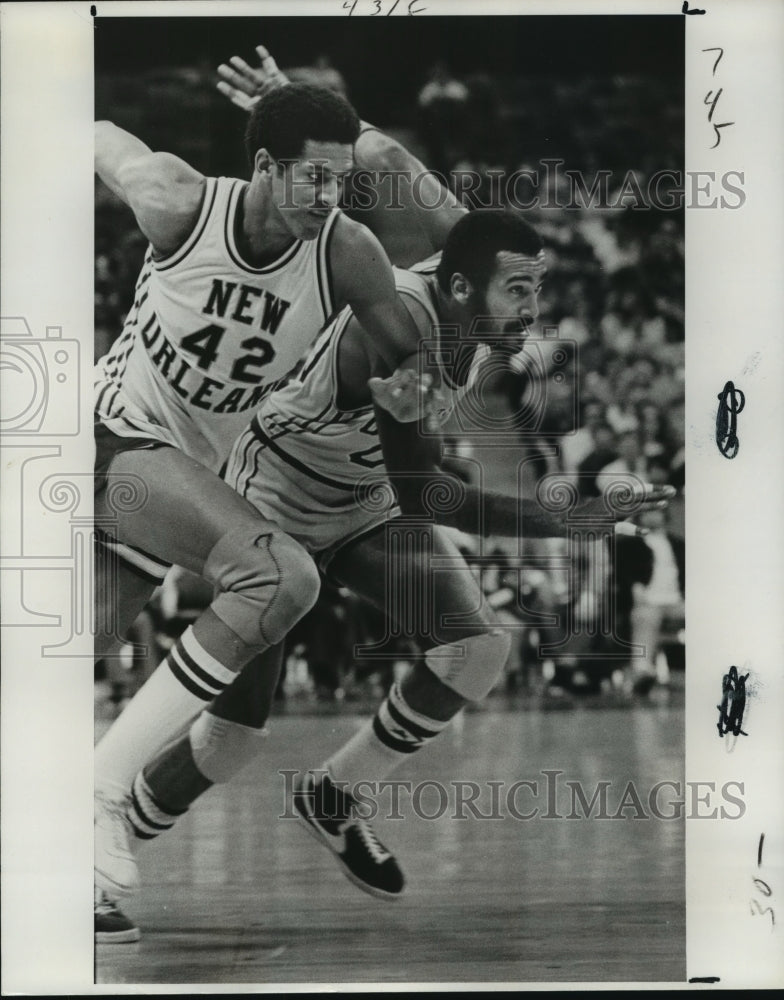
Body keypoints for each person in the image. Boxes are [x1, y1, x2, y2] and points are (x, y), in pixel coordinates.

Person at [101, 210, 673, 939]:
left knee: (477, 646)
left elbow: (390, 156)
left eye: (538, 288)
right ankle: (88, 860)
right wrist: (575, 517)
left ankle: (336, 795)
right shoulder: (397, 331)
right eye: (518, 290)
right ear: (460, 285)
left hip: (363, 497)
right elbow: (427, 494)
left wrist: (301, 106)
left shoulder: (467, 286)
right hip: (273, 502)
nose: (533, 310)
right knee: (229, 741)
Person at [93, 79, 449, 937]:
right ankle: (99, 794)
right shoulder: (177, 202)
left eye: (339, 182)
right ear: (263, 166)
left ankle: (69, 868)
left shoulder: (345, 251)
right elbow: (100, 130)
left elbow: (414, 360)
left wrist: (411, 395)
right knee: (277, 574)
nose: (328, 198)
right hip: (108, 439)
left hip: (179, 484)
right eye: (312, 179)